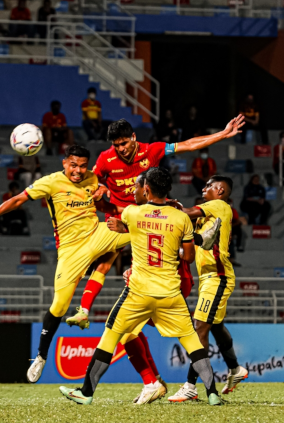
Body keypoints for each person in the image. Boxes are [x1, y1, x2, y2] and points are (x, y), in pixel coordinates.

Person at [58, 168, 224, 406]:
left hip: (138, 292)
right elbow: (187, 258)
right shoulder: (182, 218)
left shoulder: (133, 213)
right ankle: (212, 393)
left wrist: (114, 221)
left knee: (111, 335)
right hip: (170, 293)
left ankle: (86, 392)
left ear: (146, 189)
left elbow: (119, 221)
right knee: (192, 342)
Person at [65, 115, 245, 331]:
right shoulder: (106, 158)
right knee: (105, 262)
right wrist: (99, 187)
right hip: (121, 215)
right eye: (116, 145)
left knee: (177, 243)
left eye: (124, 143)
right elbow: (91, 180)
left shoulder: (152, 150)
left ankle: (176, 295)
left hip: (150, 214)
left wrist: (223, 134)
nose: (120, 149)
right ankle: (84, 311)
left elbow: (188, 145)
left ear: (133, 137)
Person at [0, 145, 131, 384]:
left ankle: (185, 232)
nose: (78, 171)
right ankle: (40, 356)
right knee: (59, 305)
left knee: (143, 227)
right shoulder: (50, 182)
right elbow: (18, 200)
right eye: (73, 165)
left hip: (98, 233)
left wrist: (103, 189)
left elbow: (102, 191)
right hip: (70, 250)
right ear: (64, 162)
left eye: (82, 165)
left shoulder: (91, 177)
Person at [106, 170, 220, 403]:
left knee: (125, 331)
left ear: (146, 189)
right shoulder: (156, 212)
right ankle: (172, 383)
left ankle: (153, 382)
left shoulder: (160, 211)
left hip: (166, 282)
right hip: (168, 281)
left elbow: (168, 247)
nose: (132, 191)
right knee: (187, 334)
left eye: (136, 187)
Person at [166, 175, 249, 401]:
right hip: (209, 277)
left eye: (208, 186)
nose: (203, 189)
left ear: (220, 190)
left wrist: (161, 208)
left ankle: (190, 385)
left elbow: (187, 215)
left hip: (218, 276)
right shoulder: (211, 216)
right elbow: (193, 246)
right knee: (215, 325)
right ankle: (235, 369)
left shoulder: (219, 205)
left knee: (199, 327)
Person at [228, 197, 244, 267]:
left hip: (230, 229)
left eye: (230, 203)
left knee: (239, 229)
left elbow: (237, 221)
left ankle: (239, 245)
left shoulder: (233, 211)